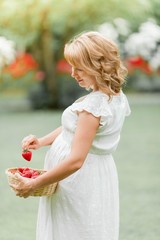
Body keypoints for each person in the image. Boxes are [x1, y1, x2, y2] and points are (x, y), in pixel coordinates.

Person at [11, 31, 131, 240]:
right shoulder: (114, 97)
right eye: (72, 66)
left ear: (98, 66)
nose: (73, 73)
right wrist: (41, 142)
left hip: (77, 181)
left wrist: (33, 184)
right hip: (96, 174)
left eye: (80, 68)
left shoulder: (93, 107)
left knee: (73, 231)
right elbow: (74, 129)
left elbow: (75, 161)